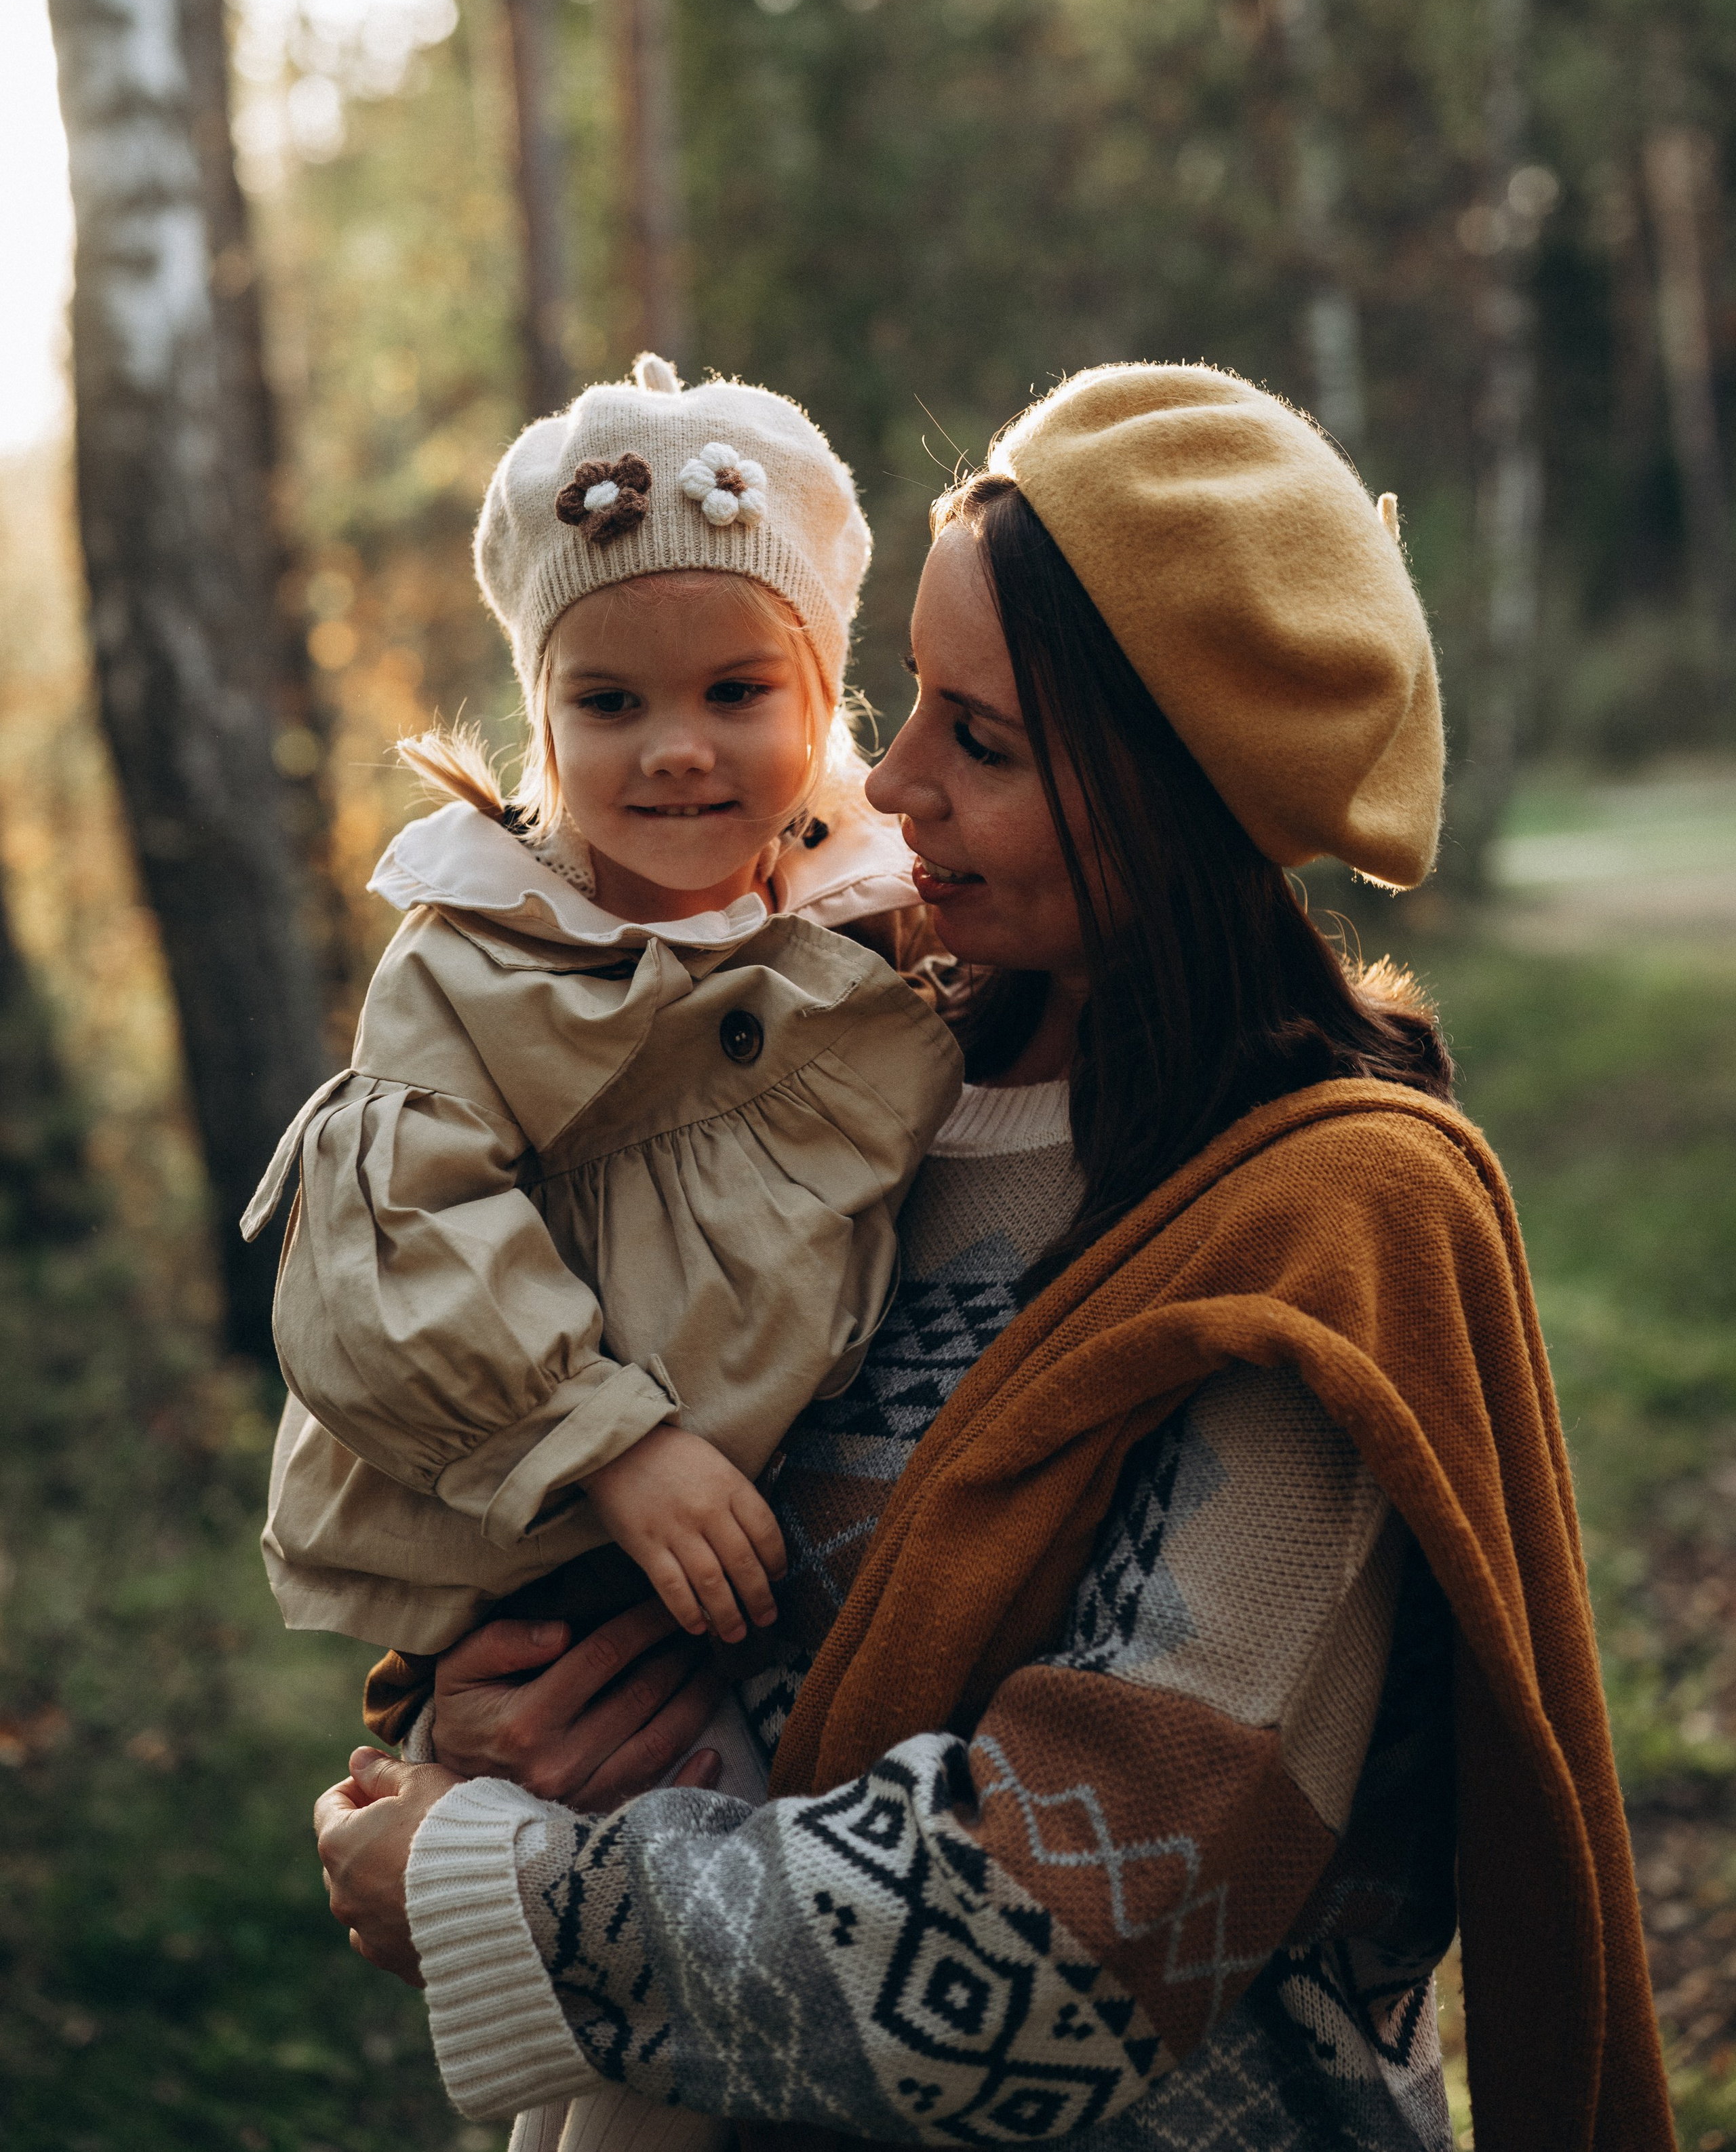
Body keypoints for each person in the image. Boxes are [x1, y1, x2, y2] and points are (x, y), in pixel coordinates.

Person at [315, 361, 1672, 2152]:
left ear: (1169, 798)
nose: (887, 778)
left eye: (983, 739)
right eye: (911, 703)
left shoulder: (1325, 1230)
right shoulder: (851, 1086)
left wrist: (512, 1886)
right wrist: (482, 1721)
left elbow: (1072, 1940)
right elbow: (562, 1470)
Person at [246, 353, 962, 2151]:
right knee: (620, 2001)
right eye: (611, 697)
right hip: (559, 1547)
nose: (678, 746)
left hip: (757, 1591)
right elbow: (389, 1235)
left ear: (826, 691)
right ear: (539, 711)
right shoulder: (480, 959)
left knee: (659, 1983)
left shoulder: (865, 918)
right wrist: (608, 1435)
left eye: (740, 688)